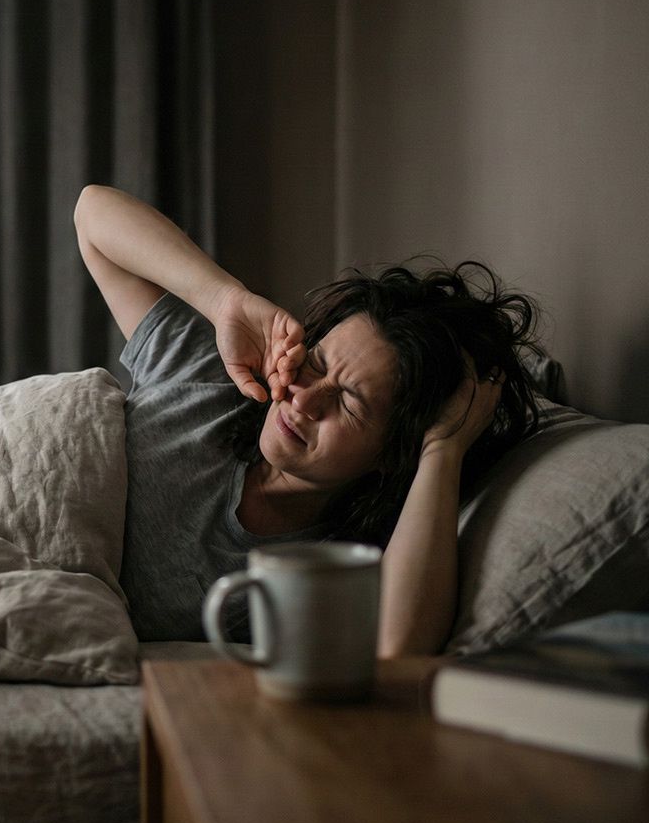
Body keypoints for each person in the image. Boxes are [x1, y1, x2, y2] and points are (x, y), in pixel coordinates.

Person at [73, 184, 542, 656]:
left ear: (392, 455)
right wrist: (225, 300)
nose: (305, 400)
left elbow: (398, 647)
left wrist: (443, 448)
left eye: (350, 403)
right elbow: (92, 212)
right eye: (315, 363)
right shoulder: (212, 373)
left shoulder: (332, 565)